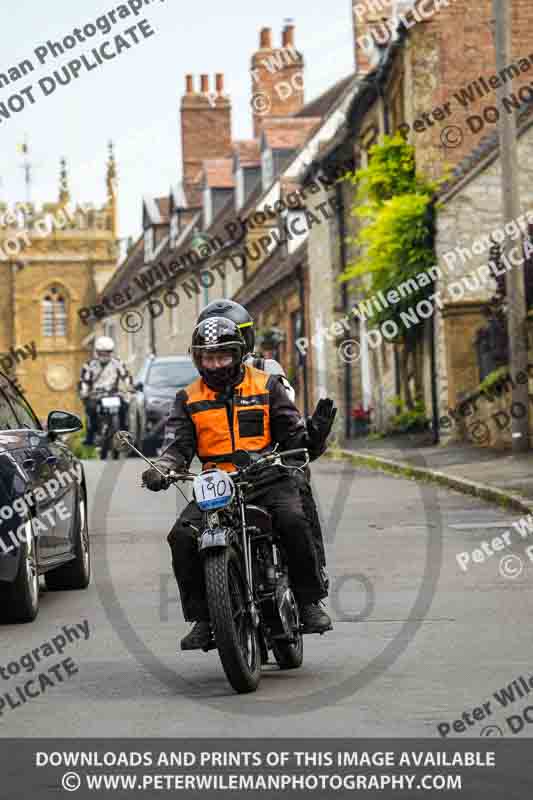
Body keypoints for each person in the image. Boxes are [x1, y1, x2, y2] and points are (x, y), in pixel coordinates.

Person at [142, 316, 334, 651]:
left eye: (223, 356)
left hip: (268, 477)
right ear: (197, 359)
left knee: (292, 518)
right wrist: (162, 467)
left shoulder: (266, 386)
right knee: (182, 536)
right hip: (218, 485)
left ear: (238, 354)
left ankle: (307, 602)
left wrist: (314, 433)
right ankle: (204, 618)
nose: (215, 364)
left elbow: (293, 437)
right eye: (207, 357)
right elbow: (178, 447)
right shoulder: (187, 398)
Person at [196, 299, 335, 589]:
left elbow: (287, 418)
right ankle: (209, 611)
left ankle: (311, 584)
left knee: (297, 510)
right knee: (190, 532)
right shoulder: (204, 381)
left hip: (273, 462)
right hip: (223, 476)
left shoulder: (267, 370)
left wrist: (304, 442)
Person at [79, 335, 132, 446]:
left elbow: (126, 376)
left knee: (124, 407)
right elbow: (84, 381)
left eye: (107, 352)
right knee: (90, 409)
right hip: (96, 395)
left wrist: (129, 387)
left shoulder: (117, 363)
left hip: (114, 394)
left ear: (111, 352)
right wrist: (84, 392)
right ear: (97, 352)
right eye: (101, 352)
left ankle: (125, 434)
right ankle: (90, 435)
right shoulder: (89, 365)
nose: (104, 355)